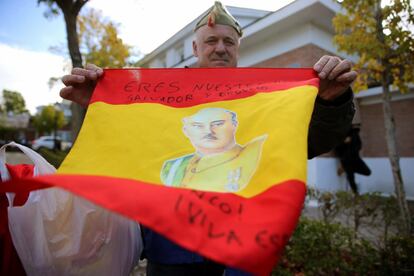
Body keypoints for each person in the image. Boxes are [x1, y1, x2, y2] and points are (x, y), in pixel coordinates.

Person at [60, 2, 356, 275]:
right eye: (211, 41)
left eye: (228, 41)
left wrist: (332, 102)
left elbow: (309, 141)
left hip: (243, 246)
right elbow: (130, 150)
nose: (220, 48)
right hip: (171, 249)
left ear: (239, 47)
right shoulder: (158, 97)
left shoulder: (267, 96)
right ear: (194, 46)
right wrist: (100, 106)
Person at [161, 107, 266, 192]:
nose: (208, 131)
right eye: (198, 126)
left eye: (218, 124)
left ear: (234, 125)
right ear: (186, 131)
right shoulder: (173, 167)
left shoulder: (256, 153)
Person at [335, 125, 371, 194]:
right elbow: (336, 148)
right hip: (345, 160)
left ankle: (348, 169)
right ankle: (356, 194)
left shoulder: (354, 134)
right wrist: (344, 142)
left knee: (367, 172)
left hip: (355, 158)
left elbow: (359, 145)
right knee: (351, 179)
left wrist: (354, 150)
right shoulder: (339, 135)